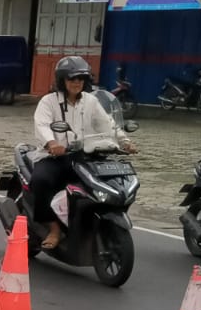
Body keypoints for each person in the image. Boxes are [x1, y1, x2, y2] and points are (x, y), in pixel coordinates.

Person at [28, 55, 136, 250]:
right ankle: (53, 228)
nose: (76, 82)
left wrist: (125, 141)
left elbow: (108, 124)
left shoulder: (91, 101)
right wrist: (52, 143)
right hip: (55, 157)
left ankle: (89, 220)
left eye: (80, 79)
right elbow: (42, 125)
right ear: (62, 80)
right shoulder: (49, 101)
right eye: (72, 78)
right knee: (41, 181)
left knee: (103, 184)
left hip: (85, 156)